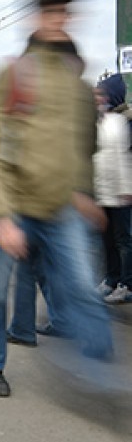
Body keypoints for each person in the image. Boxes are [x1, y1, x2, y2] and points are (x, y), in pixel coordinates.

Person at [0, 0, 113, 398]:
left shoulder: (78, 85)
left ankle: (99, 375)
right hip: (13, 205)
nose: (59, 20)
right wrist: (1, 214)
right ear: (35, 18)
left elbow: (86, 145)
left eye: (65, 14)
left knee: (84, 288)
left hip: (63, 206)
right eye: (51, 13)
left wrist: (85, 192)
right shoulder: (13, 73)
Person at [94, 74, 132, 304]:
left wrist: (126, 188)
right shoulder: (103, 121)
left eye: (102, 94)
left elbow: (125, 159)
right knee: (107, 239)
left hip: (122, 191)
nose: (99, 98)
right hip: (105, 192)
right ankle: (111, 279)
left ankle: (127, 284)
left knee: (124, 240)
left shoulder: (126, 121)